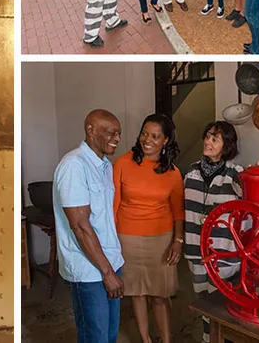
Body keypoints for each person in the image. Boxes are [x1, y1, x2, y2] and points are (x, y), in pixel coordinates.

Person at [54, 110, 126, 343]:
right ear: (90, 130)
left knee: (109, 334)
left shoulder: (105, 166)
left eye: (119, 134)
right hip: (89, 271)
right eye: (111, 132)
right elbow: (80, 226)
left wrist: (112, 267)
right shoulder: (74, 165)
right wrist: (106, 272)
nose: (116, 138)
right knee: (95, 337)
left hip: (110, 263)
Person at [113, 114, 184, 343]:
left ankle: (166, 339)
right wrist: (112, 240)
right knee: (137, 292)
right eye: (145, 133)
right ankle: (146, 339)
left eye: (155, 136)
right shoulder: (123, 163)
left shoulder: (172, 172)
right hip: (128, 237)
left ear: (165, 141)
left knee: (160, 295)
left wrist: (178, 240)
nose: (147, 140)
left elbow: (178, 211)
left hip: (160, 240)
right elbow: (114, 204)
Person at [182, 121, 245, 343]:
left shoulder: (236, 175)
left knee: (221, 305)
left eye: (214, 139)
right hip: (195, 251)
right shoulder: (191, 172)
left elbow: (253, 198)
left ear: (226, 145)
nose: (208, 142)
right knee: (203, 303)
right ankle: (207, 340)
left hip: (224, 254)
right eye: (207, 136)